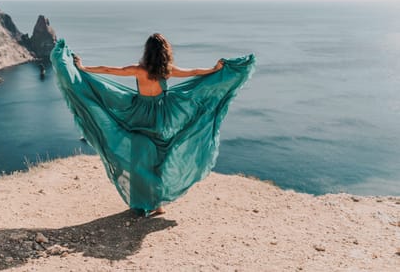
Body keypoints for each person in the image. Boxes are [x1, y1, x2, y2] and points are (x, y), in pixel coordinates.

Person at [51, 33, 255, 217]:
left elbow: (109, 70)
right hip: (162, 118)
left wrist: (84, 68)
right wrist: (215, 69)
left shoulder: (139, 70)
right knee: (158, 161)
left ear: (147, 52)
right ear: (165, 53)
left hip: (138, 115)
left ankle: (139, 203)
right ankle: (157, 205)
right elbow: (194, 72)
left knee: (138, 161)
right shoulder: (167, 71)